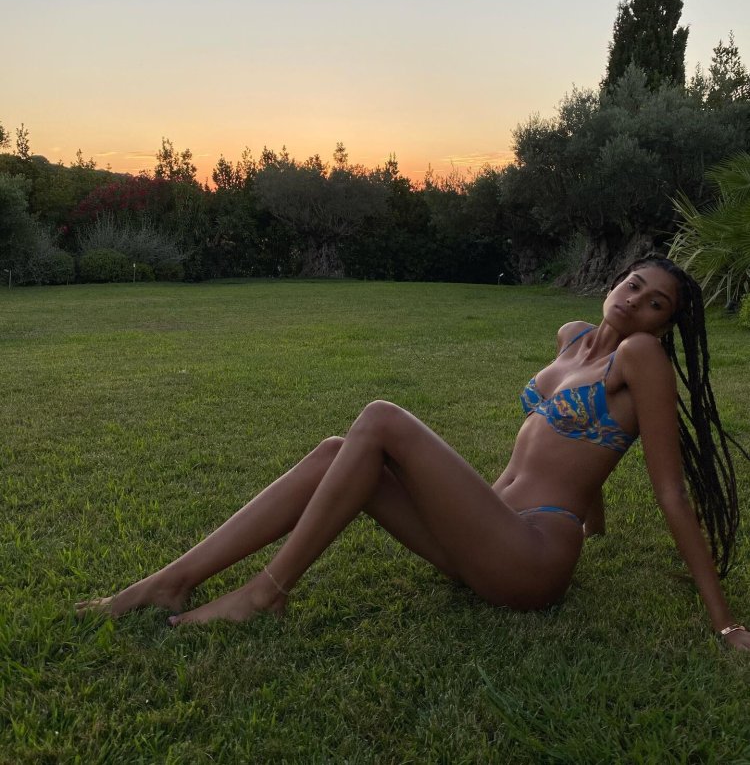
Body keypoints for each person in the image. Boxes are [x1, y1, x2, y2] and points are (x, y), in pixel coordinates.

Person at [76, 255, 750, 650]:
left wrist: (724, 626)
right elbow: (580, 444)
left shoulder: (642, 357)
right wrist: (595, 519)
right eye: (634, 284)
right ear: (616, 280)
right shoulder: (572, 337)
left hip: (528, 561)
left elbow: (669, 492)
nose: (636, 303)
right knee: (335, 452)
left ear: (666, 324)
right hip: (481, 537)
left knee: (381, 420)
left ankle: (265, 593)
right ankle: (169, 581)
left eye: (656, 304)